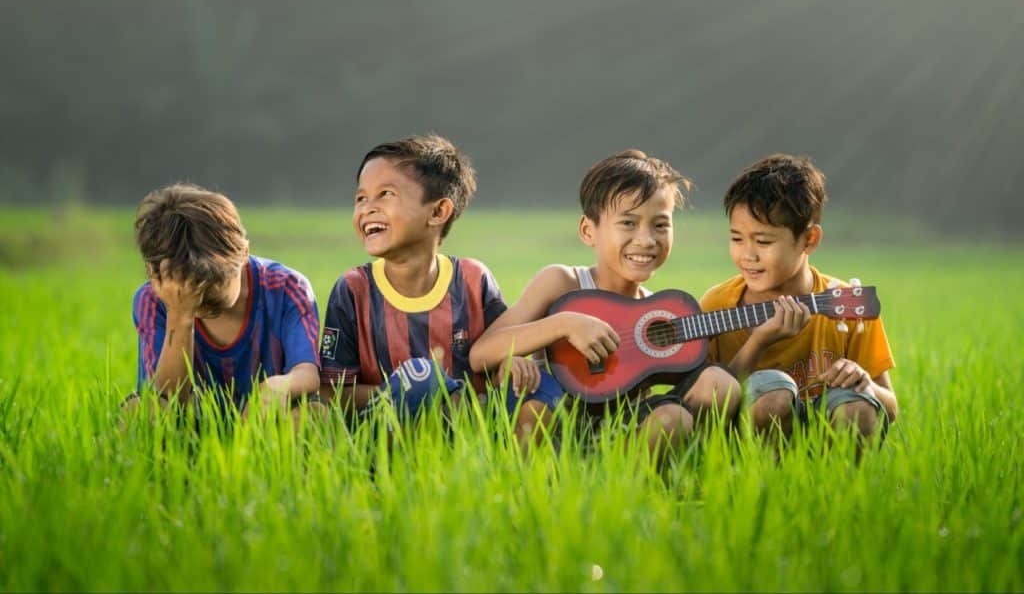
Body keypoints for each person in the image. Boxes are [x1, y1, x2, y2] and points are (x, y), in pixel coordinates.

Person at [469, 150, 740, 463]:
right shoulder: (564, 282)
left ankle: (649, 481)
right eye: (628, 222)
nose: (646, 240)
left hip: (624, 436)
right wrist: (565, 324)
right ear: (588, 231)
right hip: (556, 429)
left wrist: (763, 334)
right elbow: (481, 353)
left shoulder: (658, 312)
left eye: (660, 225)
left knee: (710, 393)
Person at [318, 134, 562, 446]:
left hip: (470, 428)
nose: (368, 208)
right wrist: (426, 391)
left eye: (385, 194)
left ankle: (513, 474)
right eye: (361, 198)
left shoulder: (473, 279)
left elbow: (497, 353)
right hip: (387, 434)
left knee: (545, 386)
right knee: (422, 376)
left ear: (437, 212)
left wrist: (511, 364)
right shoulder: (353, 290)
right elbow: (334, 392)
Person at [700, 154, 898, 445]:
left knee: (857, 407)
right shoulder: (717, 304)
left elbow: (890, 408)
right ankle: (767, 485)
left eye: (763, 241)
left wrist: (865, 383)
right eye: (736, 238)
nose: (747, 255)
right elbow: (705, 409)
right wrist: (758, 342)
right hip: (744, 448)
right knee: (773, 398)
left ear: (810, 239)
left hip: (823, 437)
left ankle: (839, 488)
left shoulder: (846, 305)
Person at [128, 183, 321, 422]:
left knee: (313, 415)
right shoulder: (154, 299)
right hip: (191, 424)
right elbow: (167, 396)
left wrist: (280, 385)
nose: (197, 297)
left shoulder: (286, 288)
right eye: (185, 287)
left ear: (244, 253)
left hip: (267, 420)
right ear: (157, 274)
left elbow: (308, 373)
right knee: (141, 412)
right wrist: (180, 314)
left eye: (210, 285)